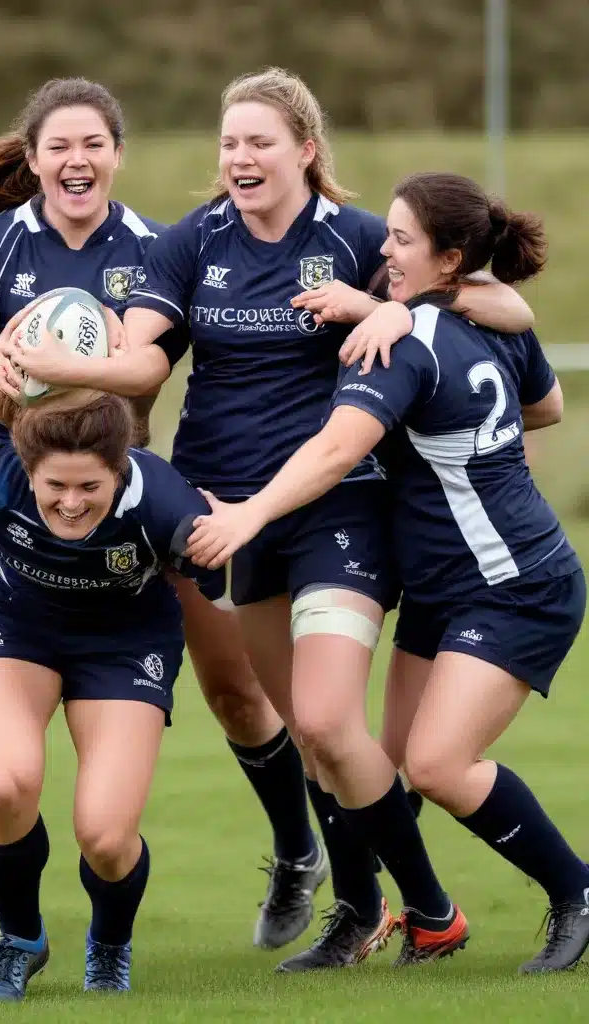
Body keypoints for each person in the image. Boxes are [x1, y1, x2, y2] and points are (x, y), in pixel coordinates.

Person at [3, 67, 536, 970]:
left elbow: (506, 306)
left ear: (305, 150)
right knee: (306, 737)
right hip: (226, 512)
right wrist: (62, 362)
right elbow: (141, 358)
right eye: (229, 143)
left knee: (327, 722)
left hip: (337, 509)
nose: (240, 158)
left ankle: (428, 909)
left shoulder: (357, 238)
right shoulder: (193, 241)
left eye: (260, 142)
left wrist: (387, 308)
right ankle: (362, 911)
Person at [0, 77, 322, 950]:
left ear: (117, 155)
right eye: (59, 146)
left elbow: (145, 369)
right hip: (13, 493)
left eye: (93, 145)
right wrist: (13, 355)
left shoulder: (156, 246)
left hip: (128, 506)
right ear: (34, 161)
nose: (77, 161)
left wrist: (67, 363)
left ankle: (298, 851)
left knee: (234, 690)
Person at [188, 171, 589, 973]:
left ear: (450, 259)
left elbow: (337, 450)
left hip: (513, 583)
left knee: (437, 765)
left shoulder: (403, 340)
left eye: (402, 240)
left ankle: (575, 891)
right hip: (446, 588)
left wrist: (246, 515)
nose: (385, 251)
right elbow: (545, 406)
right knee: (366, 759)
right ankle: (403, 915)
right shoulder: (466, 314)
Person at [0, 386, 215, 1000]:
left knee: (106, 836)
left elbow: (224, 573)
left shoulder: (162, 499)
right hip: (10, 620)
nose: (69, 503)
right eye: (54, 486)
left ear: (120, 468)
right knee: (7, 782)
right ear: (28, 469)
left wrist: (219, 539)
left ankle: (110, 944)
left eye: (90, 486)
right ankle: (19, 940)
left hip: (123, 642)